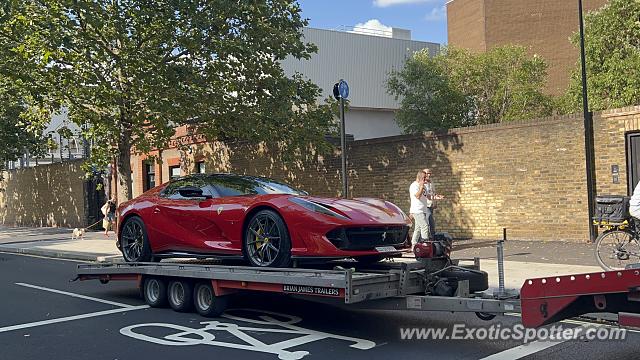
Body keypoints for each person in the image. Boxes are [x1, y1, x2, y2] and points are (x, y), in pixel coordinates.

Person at [409, 170, 430, 247]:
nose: (425, 179)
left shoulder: (424, 186)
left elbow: (427, 196)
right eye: (424, 178)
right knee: (424, 226)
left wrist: (436, 197)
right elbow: (417, 196)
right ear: (420, 177)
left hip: (423, 209)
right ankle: (425, 245)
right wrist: (421, 186)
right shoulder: (414, 185)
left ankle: (413, 245)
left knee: (417, 229)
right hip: (417, 210)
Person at [422, 168, 444, 239]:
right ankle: (427, 239)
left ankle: (431, 238)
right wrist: (435, 198)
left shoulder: (431, 182)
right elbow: (425, 196)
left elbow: (433, 193)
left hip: (431, 205)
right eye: (427, 173)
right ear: (424, 174)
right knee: (429, 222)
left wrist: (436, 199)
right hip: (425, 205)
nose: (429, 174)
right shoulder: (422, 183)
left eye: (430, 173)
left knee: (430, 223)